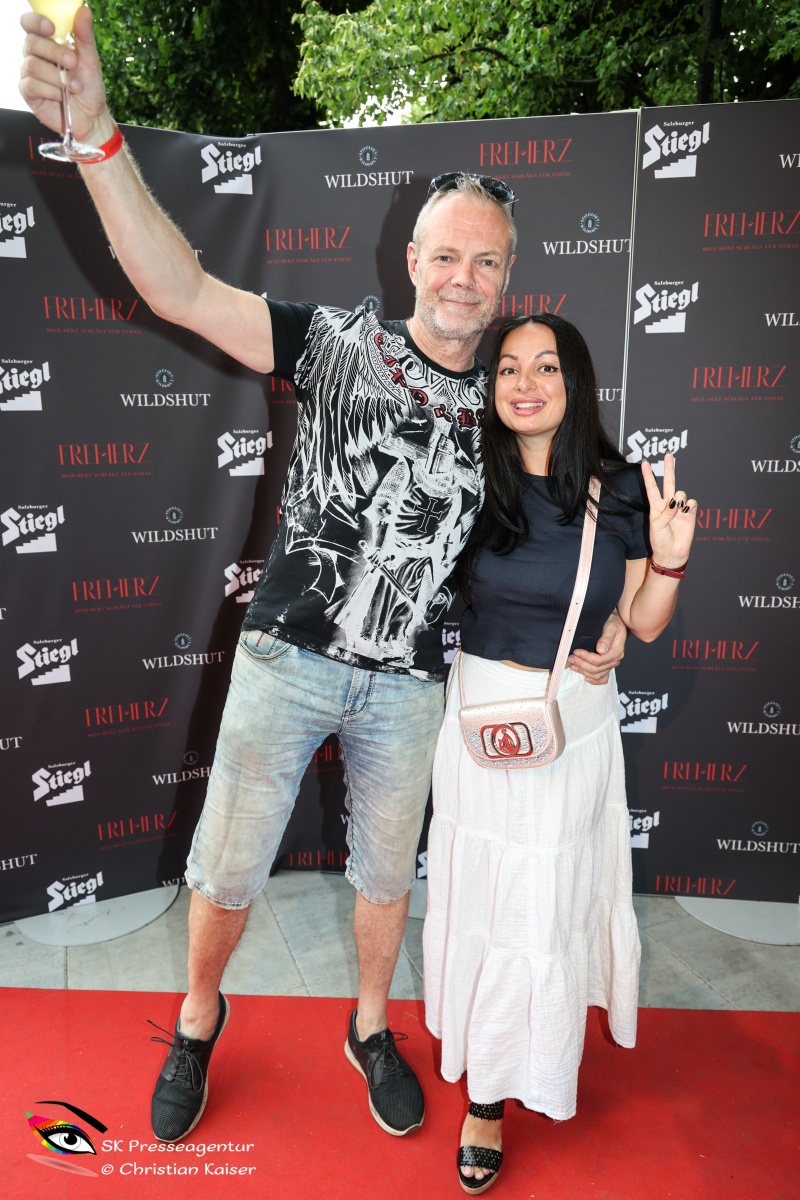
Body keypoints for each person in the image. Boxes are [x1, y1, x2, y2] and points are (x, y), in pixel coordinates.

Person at [19, 9, 628, 1146]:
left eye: (485, 260)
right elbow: (179, 289)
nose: (462, 277)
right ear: (412, 259)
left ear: (507, 274)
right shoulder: (334, 342)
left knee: (387, 876)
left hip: (413, 685)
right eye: (445, 254)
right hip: (286, 658)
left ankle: (367, 1026)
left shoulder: (515, 402)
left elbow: (573, 537)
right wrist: (96, 139)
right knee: (226, 866)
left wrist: (611, 627)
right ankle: (197, 1018)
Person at [423, 313, 697, 1192]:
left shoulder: (622, 490)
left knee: (542, 904)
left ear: (576, 383)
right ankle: (487, 1094)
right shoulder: (467, 474)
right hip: (480, 715)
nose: (525, 384)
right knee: (489, 899)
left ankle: (527, 1064)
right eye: (508, 368)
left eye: (545, 367)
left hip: (570, 722)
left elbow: (642, 623)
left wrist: (667, 566)